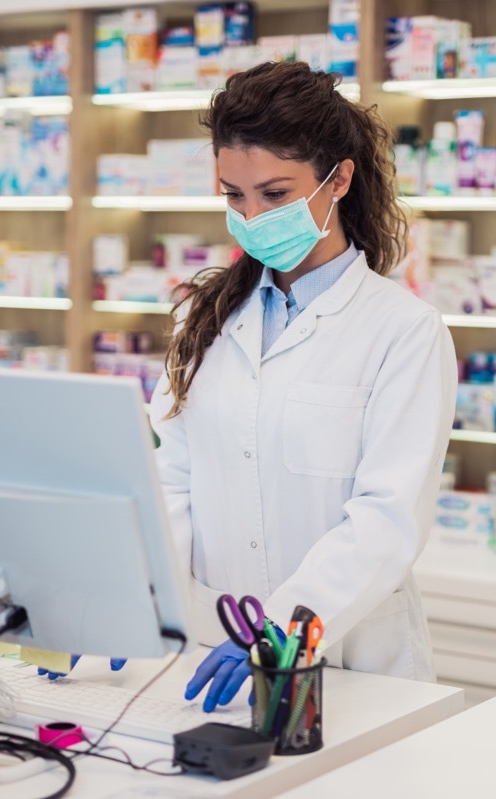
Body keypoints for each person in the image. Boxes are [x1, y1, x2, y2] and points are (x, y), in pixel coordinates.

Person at [149, 61, 457, 713]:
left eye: (275, 194)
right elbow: (172, 481)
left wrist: (280, 626)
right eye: (235, 196)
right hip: (214, 651)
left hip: (352, 665)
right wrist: (145, 603)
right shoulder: (201, 320)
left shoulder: (404, 331)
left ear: (338, 179)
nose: (252, 217)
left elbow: (386, 518)